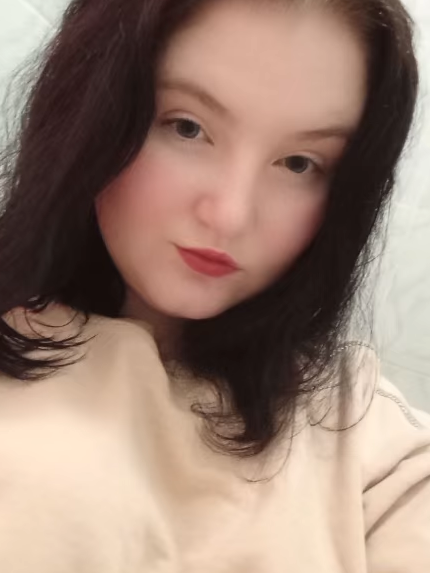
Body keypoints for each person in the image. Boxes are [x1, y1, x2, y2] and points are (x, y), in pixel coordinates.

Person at [0, 0, 428, 570]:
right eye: (188, 127)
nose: (230, 214)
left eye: (299, 164)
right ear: (90, 105)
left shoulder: (370, 443)